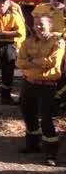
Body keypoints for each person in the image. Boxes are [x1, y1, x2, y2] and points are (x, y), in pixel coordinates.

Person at [16, 15, 65, 166]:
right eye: (36, 24)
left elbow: (53, 62)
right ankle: (33, 145)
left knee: (46, 118)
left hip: (47, 85)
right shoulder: (28, 42)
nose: (38, 27)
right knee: (28, 114)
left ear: (50, 25)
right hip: (29, 83)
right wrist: (37, 62)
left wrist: (30, 61)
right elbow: (19, 62)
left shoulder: (58, 42)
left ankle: (51, 152)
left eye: (42, 24)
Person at [0, 0, 26, 105]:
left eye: (4, 2)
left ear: (9, 3)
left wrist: (1, 33)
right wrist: (8, 33)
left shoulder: (14, 15)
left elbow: (20, 33)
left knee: (7, 72)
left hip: (9, 46)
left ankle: (6, 98)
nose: (2, 5)